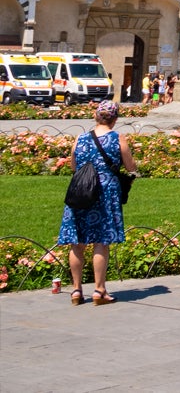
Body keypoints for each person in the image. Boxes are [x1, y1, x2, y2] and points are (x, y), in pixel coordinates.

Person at [57, 101, 138, 305]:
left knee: (77, 241)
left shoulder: (81, 138)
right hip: (105, 192)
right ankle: (99, 291)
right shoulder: (117, 138)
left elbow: (74, 165)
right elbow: (130, 167)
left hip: (81, 191)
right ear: (115, 119)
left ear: (96, 116)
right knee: (101, 241)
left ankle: (76, 291)